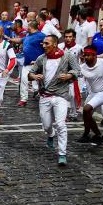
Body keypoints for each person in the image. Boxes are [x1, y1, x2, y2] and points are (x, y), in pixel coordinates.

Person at [27, 35, 80, 165]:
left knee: (61, 124)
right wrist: (34, 76)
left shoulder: (67, 56)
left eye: (46, 43)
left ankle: (62, 154)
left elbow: (77, 70)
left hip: (61, 96)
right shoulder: (41, 58)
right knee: (46, 125)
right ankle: (50, 134)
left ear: (55, 44)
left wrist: (68, 75)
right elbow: (30, 74)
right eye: (43, 44)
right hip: (45, 96)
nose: (43, 46)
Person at [78, 45, 103, 145]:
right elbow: (72, 75)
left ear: (95, 55)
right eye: (84, 55)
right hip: (93, 92)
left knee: (87, 109)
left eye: (88, 55)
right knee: (86, 114)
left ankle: (98, 135)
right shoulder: (82, 67)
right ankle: (86, 134)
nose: (86, 57)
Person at [15, 19, 44, 107]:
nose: (26, 27)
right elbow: (20, 40)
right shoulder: (27, 35)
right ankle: (23, 99)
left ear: (31, 27)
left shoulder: (42, 36)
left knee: (42, 81)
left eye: (28, 25)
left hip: (39, 64)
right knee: (24, 80)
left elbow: (48, 45)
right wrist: (8, 39)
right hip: (27, 63)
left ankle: (43, 97)